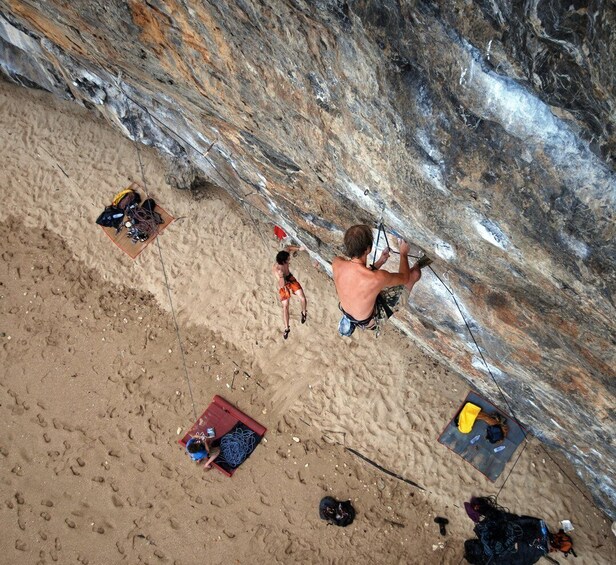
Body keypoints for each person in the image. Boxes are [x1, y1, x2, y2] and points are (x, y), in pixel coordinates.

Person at [332, 224, 423, 336]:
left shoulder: (336, 263)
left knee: (372, 289)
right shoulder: (377, 278)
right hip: (371, 319)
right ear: (368, 249)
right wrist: (403, 253)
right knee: (414, 274)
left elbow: (357, 275)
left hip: (352, 308)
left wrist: (380, 262)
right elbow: (405, 277)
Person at [273, 247, 308, 340]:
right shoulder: (277, 269)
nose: (290, 259)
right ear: (284, 261)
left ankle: (304, 312)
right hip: (284, 285)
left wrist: (299, 249)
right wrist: (281, 277)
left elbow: (288, 247)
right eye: (288, 259)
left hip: (290, 278)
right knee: (285, 306)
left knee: (303, 298)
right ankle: (286, 328)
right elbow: (281, 285)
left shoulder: (284, 254)